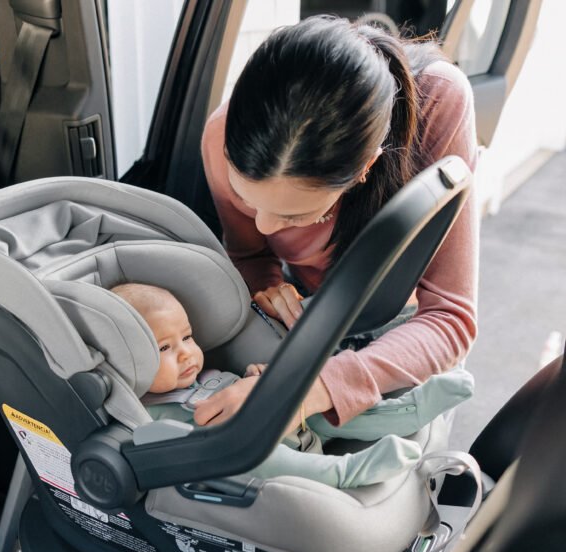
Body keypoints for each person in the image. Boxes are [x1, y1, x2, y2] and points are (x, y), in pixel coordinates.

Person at [197, 15, 478, 431]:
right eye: (244, 197)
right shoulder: (220, 135)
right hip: (309, 313)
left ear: (366, 167)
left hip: (406, 327)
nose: (267, 227)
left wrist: (303, 391)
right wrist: (267, 286)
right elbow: (249, 254)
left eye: (294, 215)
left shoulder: (439, 101)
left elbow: (450, 316)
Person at [110, 283, 473, 488]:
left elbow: (238, 391)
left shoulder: (203, 373)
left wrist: (257, 379)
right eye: (164, 348)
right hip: (246, 451)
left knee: (325, 407)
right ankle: (349, 471)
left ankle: (409, 411)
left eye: (188, 337)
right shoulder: (149, 412)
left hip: (285, 417)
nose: (188, 353)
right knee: (265, 461)